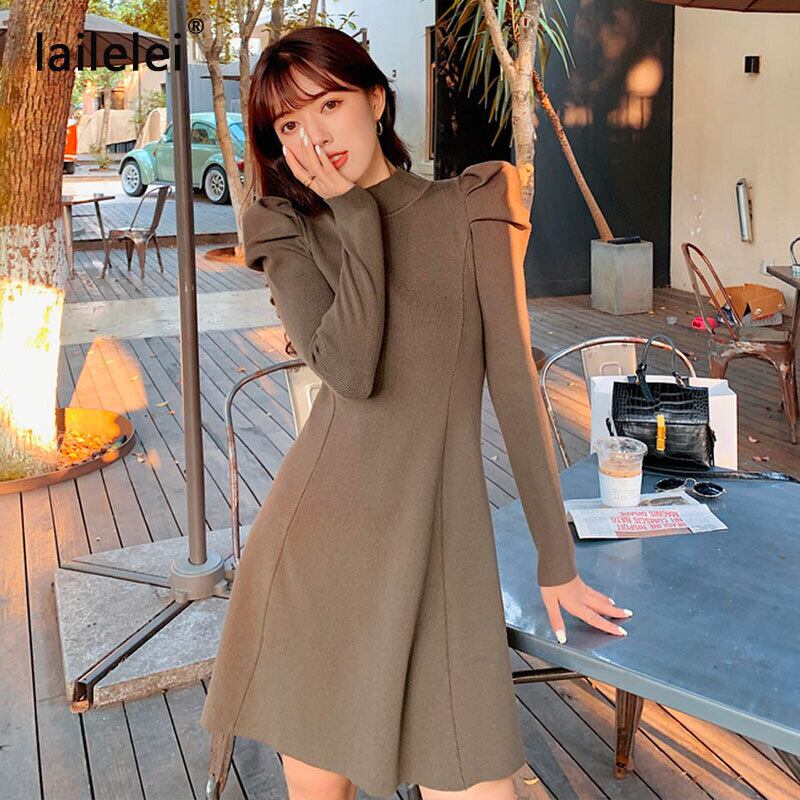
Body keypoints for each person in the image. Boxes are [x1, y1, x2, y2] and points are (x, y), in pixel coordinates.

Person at [200, 25, 634, 800]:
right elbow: (349, 372)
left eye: (329, 104)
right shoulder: (286, 227)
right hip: (319, 561)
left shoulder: (472, 204)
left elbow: (513, 380)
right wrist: (354, 214)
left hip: (443, 555)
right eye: (288, 125)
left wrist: (556, 559)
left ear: (375, 99)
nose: (313, 136)